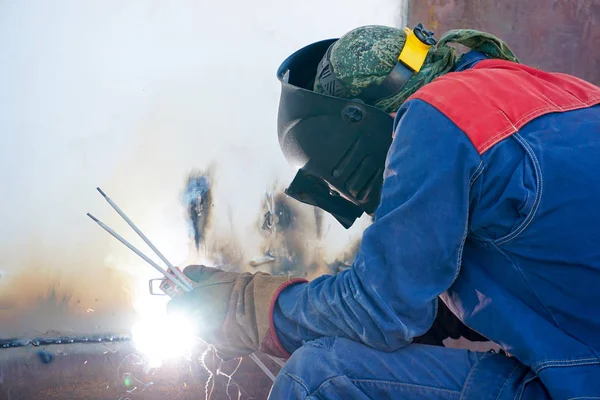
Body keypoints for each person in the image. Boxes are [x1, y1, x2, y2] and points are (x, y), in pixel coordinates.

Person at [168, 24, 600, 399]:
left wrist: (246, 307)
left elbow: (379, 310)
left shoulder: (437, 118)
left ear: (357, 123)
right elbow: (554, 257)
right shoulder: (556, 88)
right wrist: (440, 311)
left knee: (320, 379)